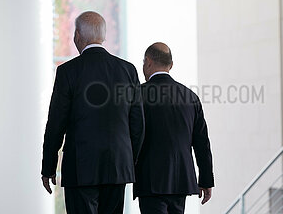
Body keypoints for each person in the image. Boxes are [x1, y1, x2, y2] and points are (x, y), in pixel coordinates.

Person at [41, 11, 145, 214]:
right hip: (117, 167)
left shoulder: (68, 72)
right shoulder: (128, 70)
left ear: (77, 36)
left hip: (80, 168)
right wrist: (129, 159)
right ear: (103, 36)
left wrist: (48, 167)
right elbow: (138, 124)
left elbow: (56, 123)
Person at [134, 42, 214, 214]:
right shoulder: (190, 97)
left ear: (148, 61)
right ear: (171, 65)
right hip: (181, 180)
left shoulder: (137, 94)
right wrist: (206, 180)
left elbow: (130, 136)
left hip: (150, 180)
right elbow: (202, 143)